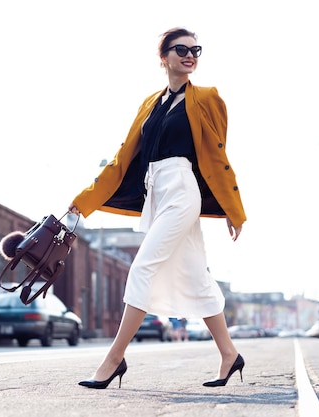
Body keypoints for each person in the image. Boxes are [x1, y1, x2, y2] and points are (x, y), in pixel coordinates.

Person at [68, 27, 246, 389]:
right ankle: (229, 354)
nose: (190, 55)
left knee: (142, 269)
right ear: (163, 57)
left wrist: (232, 207)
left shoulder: (208, 98)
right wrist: (84, 200)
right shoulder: (150, 104)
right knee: (196, 275)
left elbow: (217, 156)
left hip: (183, 190)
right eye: (182, 49)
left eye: (196, 49)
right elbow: (122, 160)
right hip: (157, 191)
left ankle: (114, 358)